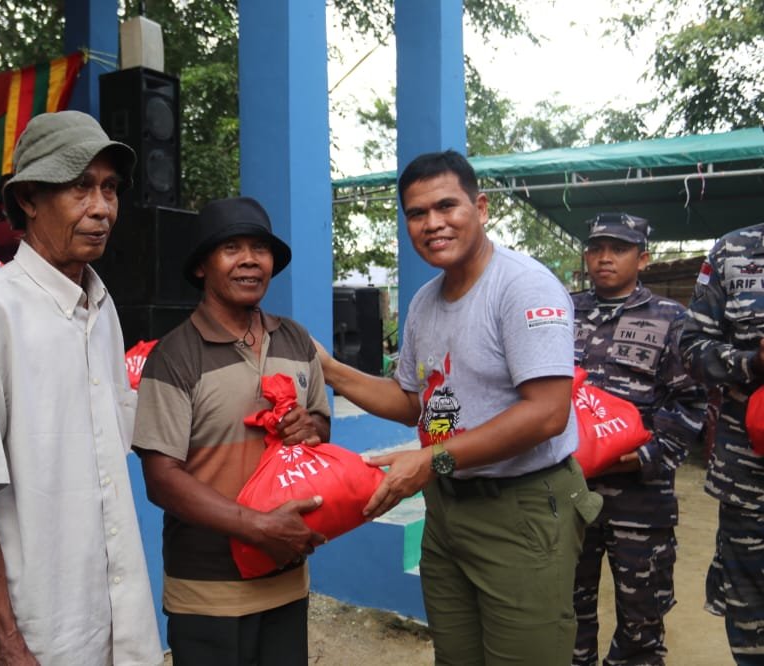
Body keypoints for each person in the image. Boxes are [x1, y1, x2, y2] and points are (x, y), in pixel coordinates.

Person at [316, 150, 603, 665]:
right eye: (417, 213)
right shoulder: (425, 301)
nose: (433, 224)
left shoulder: (522, 287)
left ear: (482, 207)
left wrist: (429, 461)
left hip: (522, 507)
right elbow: (412, 403)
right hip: (448, 510)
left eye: (447, 206)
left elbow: (546, 414)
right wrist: (329, 369)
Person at [0, 111, 161, 665]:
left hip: (107, 622)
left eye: (109, 189)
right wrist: (8, 645)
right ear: (29, 199)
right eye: (80, 187)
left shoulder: (101, 309)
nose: (102, 208)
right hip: (36, 636)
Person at [131, 196, 331, 666]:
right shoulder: (175, 356)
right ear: (202, 265)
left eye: (259, 248)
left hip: (286, 579)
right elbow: (161, 478)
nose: (249, 260)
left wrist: (311, 427)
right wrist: (259, 527)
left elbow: (322, 424)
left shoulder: (297, 340)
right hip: (208, 592)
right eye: (231, 248)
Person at [570, 213, 704, 666]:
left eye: (620, 248)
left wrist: (644, 455)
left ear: (643, 257)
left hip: (640, 500)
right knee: (567, 616)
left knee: (642, 625)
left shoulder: (673, 320)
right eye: (596, 248)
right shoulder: (560, 311)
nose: (604, 258)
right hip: (568, 493)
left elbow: (693, 403)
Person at [680, 222, 764, 665]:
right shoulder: (734, 251)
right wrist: (752, 361)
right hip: (749, 480)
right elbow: (691, 348)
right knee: (750, 616)